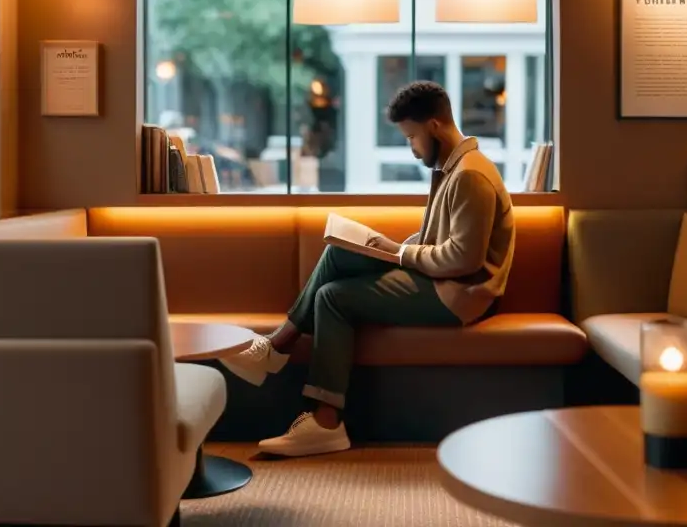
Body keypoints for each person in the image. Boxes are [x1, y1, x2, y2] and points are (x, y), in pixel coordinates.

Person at [220, 80, 516, 457]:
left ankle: (315, 406)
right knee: (337, 254)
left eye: (411, 136)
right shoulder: (453, 166)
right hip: (442, 281)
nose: (411, 148)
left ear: (434, 127)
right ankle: (292, 372)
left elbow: (464, 259)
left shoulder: (470, 175)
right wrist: (399, 247)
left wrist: (399, 254)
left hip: (459, 296)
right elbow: (444, 239)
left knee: (334, 299)